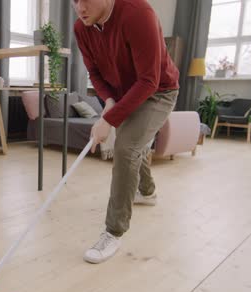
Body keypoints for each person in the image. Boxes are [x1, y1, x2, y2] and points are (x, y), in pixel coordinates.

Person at [72, 0, 180, 263]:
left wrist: (108, 120)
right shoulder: (81, 28)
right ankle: (148, 191)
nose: (79, 7)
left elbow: (149, 80)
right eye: (74, 1)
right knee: (134, 143)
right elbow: (94, 73)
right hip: (122, 93)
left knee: (126, 147)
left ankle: (113, 231)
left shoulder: (138, 14)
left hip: (159, 91)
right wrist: (108, 101)